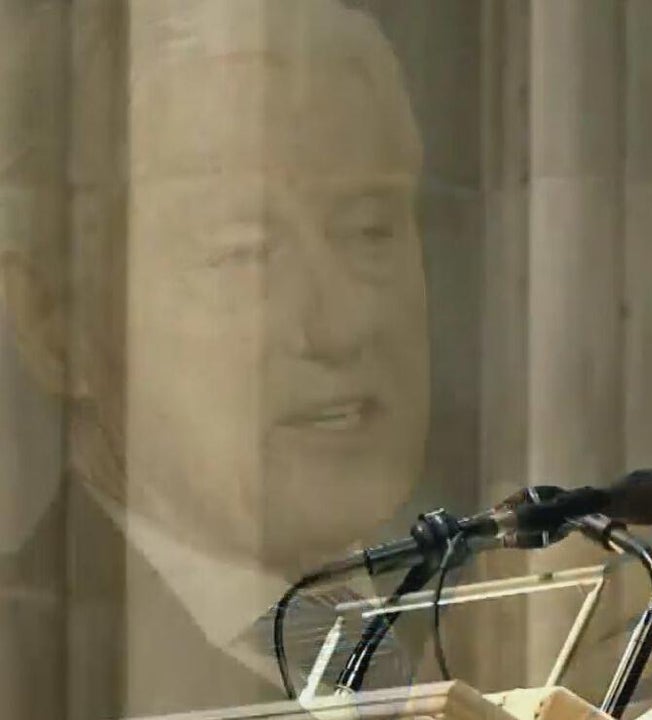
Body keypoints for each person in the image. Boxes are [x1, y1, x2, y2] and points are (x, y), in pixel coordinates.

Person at [2, 0, 433, 714]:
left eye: (369, 229)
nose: (342, 321)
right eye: (243, 253)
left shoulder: (494, 621)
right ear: (55, 322)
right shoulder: (32, 675)